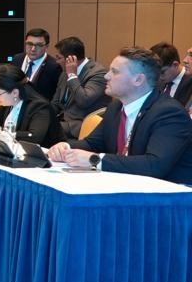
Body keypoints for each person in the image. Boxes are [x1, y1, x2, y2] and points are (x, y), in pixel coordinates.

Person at [49, 47, 192, 184]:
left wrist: (95, 160)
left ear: (138, 80)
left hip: (170, 194)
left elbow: (153, 165)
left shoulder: (169, 113)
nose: (106, 76)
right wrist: (65, 147)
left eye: (115, 72)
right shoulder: (116, 107)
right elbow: (92, 144)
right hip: (127, 186)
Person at [0, 64, 64, 147]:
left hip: (46, 153)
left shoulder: (40, 106)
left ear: (15, 93)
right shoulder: (9, 102)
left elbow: (34, 137)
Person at [50, 36, 109, 137]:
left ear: (71, 59)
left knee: (47, 132)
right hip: (63, 121)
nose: (56, 61)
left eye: (59, 58)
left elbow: (84, 100)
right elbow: (55, 102)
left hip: (80, 125)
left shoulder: (98, 73)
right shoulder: (65, 72)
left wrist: (72, 76)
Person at [18, 28, 62, 102]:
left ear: (47, 46)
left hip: (39, 107)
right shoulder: (17, 59)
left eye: (39, 45)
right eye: (29, 44)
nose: (33, 49)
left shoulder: (54, 67)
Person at [151, 42, 192, 108]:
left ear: (175, 65)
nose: (159, 77)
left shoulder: (190, 82)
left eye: (162, 72)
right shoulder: (156, 83)